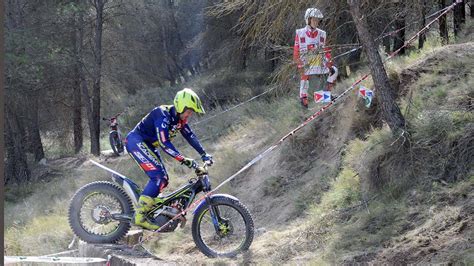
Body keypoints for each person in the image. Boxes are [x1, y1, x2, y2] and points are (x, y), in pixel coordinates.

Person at [125, 88, 213, 230]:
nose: (189, 115)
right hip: (136, 141)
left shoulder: (180, 120)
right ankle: (140, 216)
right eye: (189, 111)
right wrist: (183, 159)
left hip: (148, 146)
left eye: (191, 112)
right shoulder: (162, 114)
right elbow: (164, 143)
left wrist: (204, 154)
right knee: (158, 177)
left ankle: (150, 207)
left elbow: (190, 136)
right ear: (180, 107)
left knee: (164, 180)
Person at [293, 7, 338, 108]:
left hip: (319, 61)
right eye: (314, 19)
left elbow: (326, 50)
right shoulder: (300, 33)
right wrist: (299, 63)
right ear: (308, 20)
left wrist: (329, 61)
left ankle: (325, 96)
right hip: (306, 62)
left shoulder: (322, 33)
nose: (316, 22)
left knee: (334, 70)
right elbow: (296, 51)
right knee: (305, 75)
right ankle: (303, 98)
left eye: (317, 20)